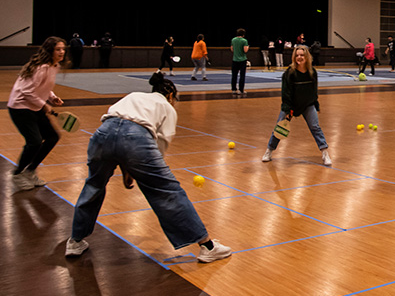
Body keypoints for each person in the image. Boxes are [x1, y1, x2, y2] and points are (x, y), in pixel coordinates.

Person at [66, 72, 232, 263]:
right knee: (167, 191)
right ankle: (208, 247)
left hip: (102, 134)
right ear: (170, 96)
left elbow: (117, 131)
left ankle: (75, 241)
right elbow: (158, 147)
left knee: (94, 185)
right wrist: (135, 169)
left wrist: (128, 169)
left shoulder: (134, 95)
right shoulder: (167, 108)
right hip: (136, 139)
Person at [7, 36, 67, 190]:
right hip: (20, 107)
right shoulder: (41, 67)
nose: (62, 52)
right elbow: (26, 91)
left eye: (63, 49)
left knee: (53, 137)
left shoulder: (54, 66)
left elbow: (43, 86)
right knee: (34, 141)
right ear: (50, 50)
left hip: (34, 106)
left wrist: (52, 97)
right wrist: (44, 105)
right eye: (58, 49)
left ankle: (30, 171)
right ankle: (17, 174)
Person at [262, 46, 331, 166]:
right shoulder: (289, 73)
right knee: (279, 129)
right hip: (291, 106)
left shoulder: (312, 72)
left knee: (315, 127)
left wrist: (316, 104)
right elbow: (286, 93)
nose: (299, 57)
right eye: (297, 55)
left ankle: (325, 153)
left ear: (307, 57)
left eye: (302, 55)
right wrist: (288, 109)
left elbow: (314, 90)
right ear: (294, 57)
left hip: (308, 105)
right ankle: (269, 151)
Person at [230, 28, 249, 95]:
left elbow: (232, 49)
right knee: (242, 75)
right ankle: (241, 90)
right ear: (243, 34)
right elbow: (245, 50)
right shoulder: (244, 41)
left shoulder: (233, 40)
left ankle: (234, 89)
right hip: (242, 60)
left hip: (235, 59)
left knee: (234, 75)